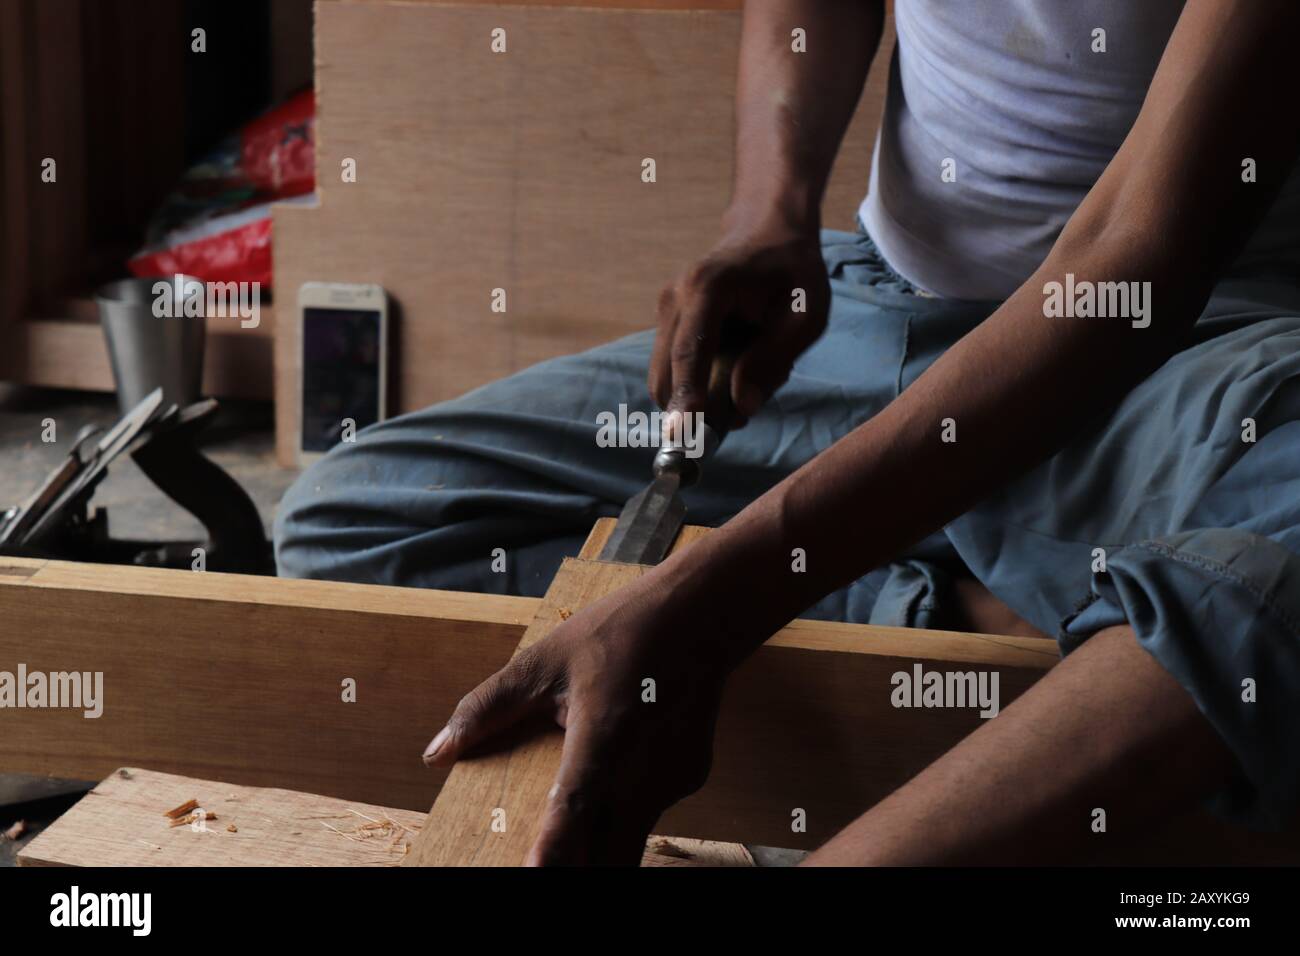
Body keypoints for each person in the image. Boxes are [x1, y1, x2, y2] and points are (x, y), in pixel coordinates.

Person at [275, 0, 1300, 864]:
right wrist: (772, 211)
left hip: (1196, 354)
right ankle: (1011, 609)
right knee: (358, 520)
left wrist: (711, 604)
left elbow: (1138, 253)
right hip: (887, 309)